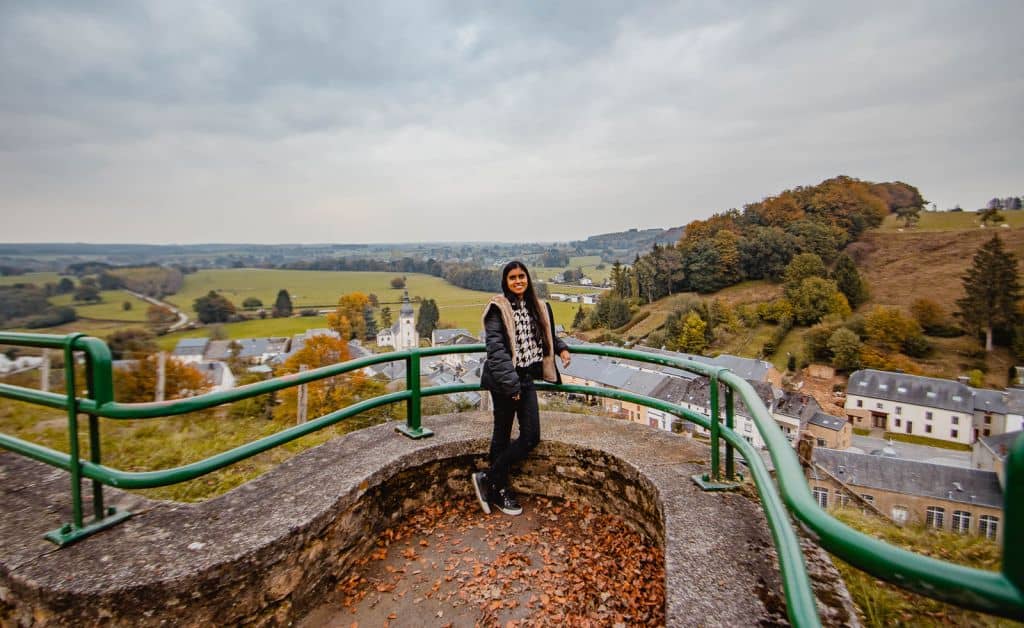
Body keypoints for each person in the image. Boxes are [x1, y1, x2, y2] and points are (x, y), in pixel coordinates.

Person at [472, 261, 570, 515]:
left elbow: (546, 333)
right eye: (512, 277)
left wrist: (561, 348)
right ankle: (499, 489)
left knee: (531, 436)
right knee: (502, 434)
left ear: (528, 279)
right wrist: (511, 385)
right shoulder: (497, 309)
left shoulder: (538, 306)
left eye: (521, 276)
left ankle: (488, 478)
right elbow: (496, 350)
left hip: (526, 378)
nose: (518, 281)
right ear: (505, 282)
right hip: (505, 380)